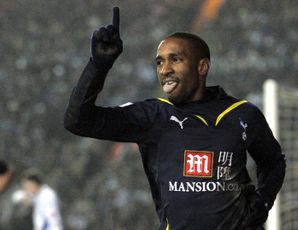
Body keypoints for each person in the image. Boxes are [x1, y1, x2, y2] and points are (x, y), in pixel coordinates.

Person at [64, 7, 285, 230]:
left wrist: (263, 201)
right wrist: (98, 66)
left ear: (202, 67)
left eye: (175, 59)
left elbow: (273, 161)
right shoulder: (153, 116)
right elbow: (78, 121)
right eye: (159, 62)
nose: (165, 69)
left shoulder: (242, 114)